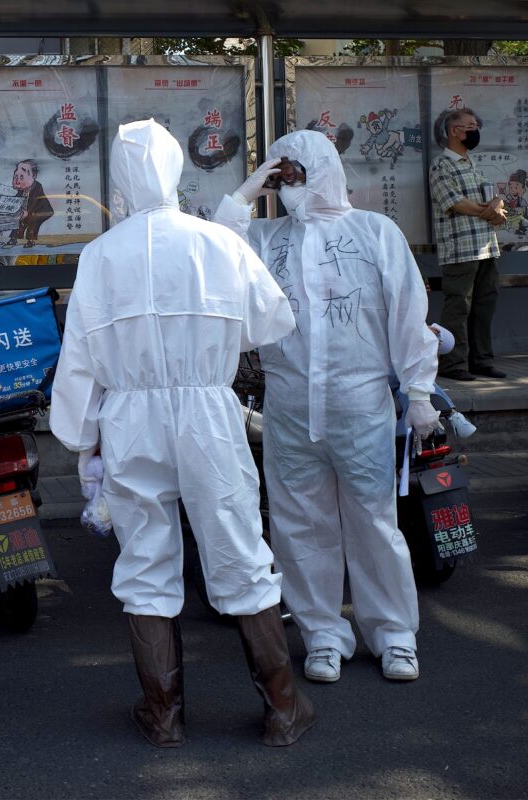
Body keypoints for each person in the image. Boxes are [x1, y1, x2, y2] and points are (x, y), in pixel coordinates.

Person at [50, 119, 313, 748]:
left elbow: (80, 359)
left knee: (145, 560)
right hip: (208, 414)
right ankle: (282, 708)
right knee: (239, 550)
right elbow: (271, 319)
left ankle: (163, 712)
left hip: (130, 418)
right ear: (175, 171)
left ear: (118, 182)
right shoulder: (215, 244)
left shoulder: (100, 255)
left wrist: (84, 438)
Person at [214, 129, 439, 684]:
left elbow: (408, 313)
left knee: (374, 523)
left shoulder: (374, 233)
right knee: (298, 527)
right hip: (290, 407)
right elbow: (216, 257)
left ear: (323, 170)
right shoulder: (267, 239)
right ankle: (321, 633)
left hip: (359, 404)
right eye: (280, 173)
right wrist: (243, 197)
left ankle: (394, 634)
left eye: (295, 171)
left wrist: (418, 391)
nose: (288, 182)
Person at [428, 107, 506, 382]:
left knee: (485, 306)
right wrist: (486, 210)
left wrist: (497, 206)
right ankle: (453, 363)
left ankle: (482, 360)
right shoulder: (441, 165)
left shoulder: (473, 163)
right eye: (470, 126)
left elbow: (494, 197)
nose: (475, 131)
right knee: (458, 306)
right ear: (454, 131)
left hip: (487, 246)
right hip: (460, 248)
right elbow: (452, 201)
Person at [10, 159, 54, 247]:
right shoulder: (22, 189)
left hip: (42, 210)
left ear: (34, 175)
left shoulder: (37, 187)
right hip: (27, 210)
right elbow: (18, 198)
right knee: (18, 221)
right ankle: (13, 239)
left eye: (21, 177)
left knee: (32, 221)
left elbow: (34, 201)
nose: (18, 180)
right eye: (16, 176)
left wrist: (28, 212)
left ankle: (31, 241)